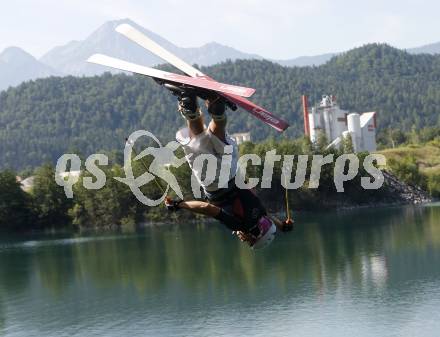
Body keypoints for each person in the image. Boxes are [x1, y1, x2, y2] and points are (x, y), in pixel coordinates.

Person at [164, 88, 293, 249]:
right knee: (198, 139)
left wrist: (281, 226)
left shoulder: (259, 211)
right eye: (248, 240)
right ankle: (188, 103)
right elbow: (208, 208)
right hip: (213, 182)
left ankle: (217, 107)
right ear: (255, 233)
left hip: (232, 170)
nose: (243, 239)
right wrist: (179, 205)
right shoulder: (239, 224)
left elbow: (267, 217)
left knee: (217, 134)